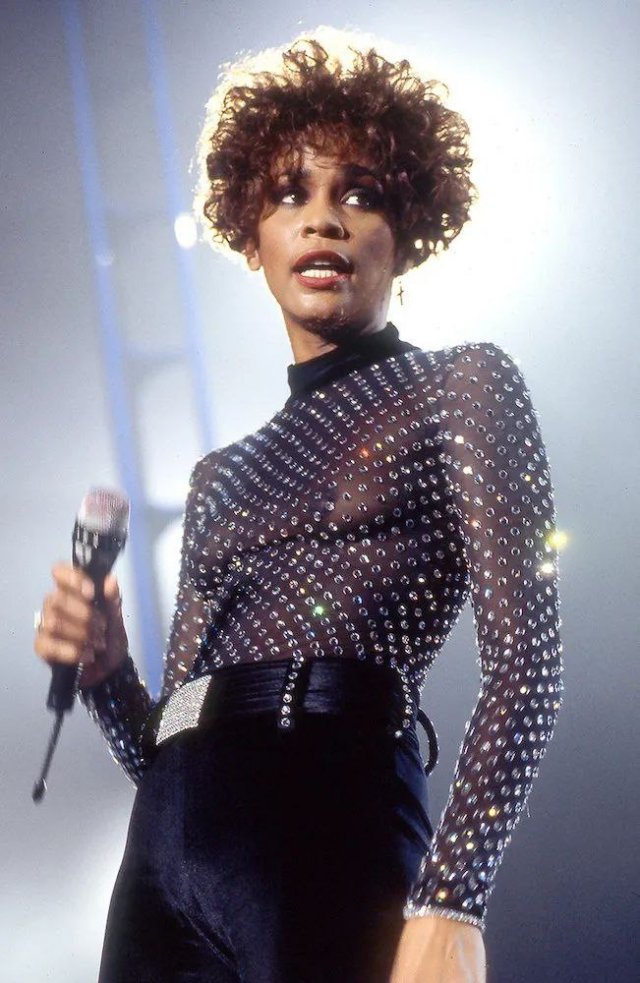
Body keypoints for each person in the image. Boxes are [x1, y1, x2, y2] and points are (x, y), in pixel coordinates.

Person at [34, 28, 564, 983]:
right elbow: (168, 741)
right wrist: (109, 674)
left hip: (335, 817)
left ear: (408, 228)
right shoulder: (216, 475)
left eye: (359, 193)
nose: (322, 220)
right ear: (252, 235)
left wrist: (452, 898)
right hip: (160, 855)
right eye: (290, 194)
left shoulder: (461, 386)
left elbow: (528, 666)